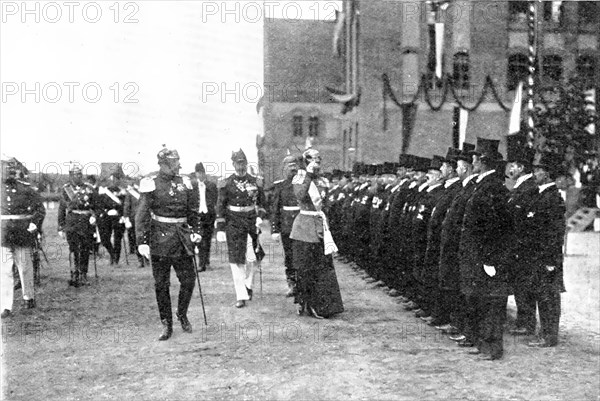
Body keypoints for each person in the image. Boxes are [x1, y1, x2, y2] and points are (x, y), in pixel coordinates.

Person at [135, 146, 201, 341]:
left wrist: (196, 232)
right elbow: (142, 214)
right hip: (159, 240)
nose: (179, 165)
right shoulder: (151, 183)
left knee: (188, 280)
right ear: (163, 164)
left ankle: (182, 313)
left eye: (178, 161)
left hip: (181, 239)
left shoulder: (186, 183)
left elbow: (193, 211)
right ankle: (166, 322)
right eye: (174, 162)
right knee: (161, 284)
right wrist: (142, 242)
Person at [458, 138, 513, 361]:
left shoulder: (493, 188)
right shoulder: (483, 185)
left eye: (474, 159)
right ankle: (483, 343)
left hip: (486, 257)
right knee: (481, 300)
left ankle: (492, 348)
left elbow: (495, 227)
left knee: (491, 303)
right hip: (477, 255)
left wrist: (489, 259)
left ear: (482, 161)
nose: (473, 162)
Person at [290, 148, 344, 319]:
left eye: (319, 161)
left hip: (320, 226)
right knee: (305, 268)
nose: (317, 164)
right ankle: (307, 303)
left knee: (323, 268)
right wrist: (307, 175)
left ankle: (325, 304)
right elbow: (299, 194)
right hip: (304, 228)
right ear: (306, 162)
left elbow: (326, 203)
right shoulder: (300, 177)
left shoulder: (323, 180)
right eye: (314, 161)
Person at [215, 149, 267, 308]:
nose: (241, 166)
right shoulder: (226, 183)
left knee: (252, 257)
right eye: (238, 163)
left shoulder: (255, 181)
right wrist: (221, 228)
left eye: (243, 163)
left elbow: (263, 203)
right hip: (233, 223)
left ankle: (248, 285)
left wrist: (260, 217)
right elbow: (220, 206)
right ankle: (240, 295)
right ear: (233, 164)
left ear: (246, 163)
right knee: (236, 259)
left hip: (251, 222)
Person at [525, 152, 566, 347]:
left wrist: (551, 261)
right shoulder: (541, 195)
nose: (535, 174)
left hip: (547, 258)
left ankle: (549, 336)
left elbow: (556, 233)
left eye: (539, 170)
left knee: (549, 296)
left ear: (548, 174)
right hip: (538, 256)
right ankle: (545, 333)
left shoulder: (553, 198)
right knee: (542, 294)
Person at [1, 157, 46, 317]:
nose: (8, 172)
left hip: (21, 233)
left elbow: (40, 209)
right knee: (4, 271)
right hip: (3, 235)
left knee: (25, 268)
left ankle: (28, 297)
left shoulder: (26, 189)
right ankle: (5, 306)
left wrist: (34, 223)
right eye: (5, 169)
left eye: (11, 169)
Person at [58, 165, 99, 287]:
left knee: (85, 249)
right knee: (73, 249)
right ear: (71, 175)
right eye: (76, 174)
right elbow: (62, 208)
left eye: (80, 174)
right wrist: (61, 226)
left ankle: (83, 274)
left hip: (86, 222)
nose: (78, 176)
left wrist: (94, 216)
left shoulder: (89, 189)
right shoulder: (66, 190)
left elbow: (97, 206)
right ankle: (75, 273)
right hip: (72, 222)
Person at [270, 154, 301, 297]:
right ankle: (292, 284)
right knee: (289, 256)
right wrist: (274, 229)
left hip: (302, 225)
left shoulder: (303, 183)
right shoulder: (280, 186)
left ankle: (303, 283)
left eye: (295, 165)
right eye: (290, 166)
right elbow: (275, 209)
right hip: (287, 226)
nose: (293, 168)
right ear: (284, 169)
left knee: (302, 255)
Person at [192, 162, 218, 272]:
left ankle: (206, 262)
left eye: (202, 173)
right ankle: (201, 264)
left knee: (207, 239)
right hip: (198, 216)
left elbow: (216, 199)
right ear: (196, 174)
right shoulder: (192, 186)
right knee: (199, 240)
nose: (200, 175)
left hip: (209, 215)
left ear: (204, 173)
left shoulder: (211, 185)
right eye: (198, 173)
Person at [97, 177, 127, 265]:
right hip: (107, 217)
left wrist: (122, 215)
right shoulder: (104, 191)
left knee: (118, 239)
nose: (114, 182)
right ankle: (112, 253)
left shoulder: (122, 192)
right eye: (112, 180)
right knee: (105, 239)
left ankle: (116, 259)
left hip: (118, 217)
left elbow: (125, 205)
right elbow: (100, 204)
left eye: (116, 180)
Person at [123, 182, 144, 267]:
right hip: (134, 219)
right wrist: (126, 219)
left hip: (145, 219)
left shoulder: (146, 192)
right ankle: (140, 259)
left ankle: (146, 257)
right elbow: (126, 207)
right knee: (136, 239)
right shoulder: (131, 193)